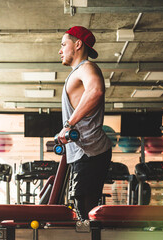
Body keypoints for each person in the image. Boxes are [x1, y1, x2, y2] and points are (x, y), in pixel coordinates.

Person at [57, 26, 112, 221]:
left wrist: (69, 125)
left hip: (91, 151)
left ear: (78, 44)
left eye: (64, 44)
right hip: (85, 151)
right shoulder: (77, 73)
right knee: (80, 205)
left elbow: (96, 91)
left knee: (84, 208)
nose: (60, 50)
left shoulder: (87, 68)